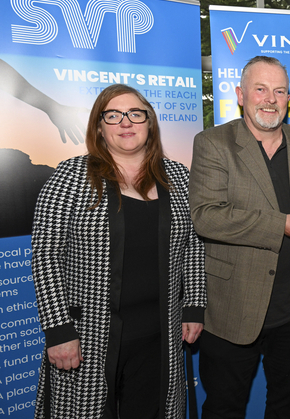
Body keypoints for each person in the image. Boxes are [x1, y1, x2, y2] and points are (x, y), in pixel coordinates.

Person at [31, 84, 207, 419]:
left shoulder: (178, 177)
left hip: (161, 335)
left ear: (149, 123)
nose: (125, 122)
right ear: (99, 126)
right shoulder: (70, 177)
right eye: (113, 115)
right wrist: (58, 330)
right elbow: (46, 255)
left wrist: (194, 305)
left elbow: (193, 245)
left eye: (135, 114)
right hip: (88, 337)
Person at [189, 56, 290, 419]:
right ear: (240, 95)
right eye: (261, 89)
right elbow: (206, 217)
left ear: (288, 98)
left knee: (288, 404)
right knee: (224, 408)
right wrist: (280, 225)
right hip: (233, 308)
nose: (270, 99)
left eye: (279, 91)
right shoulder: (213, 143)